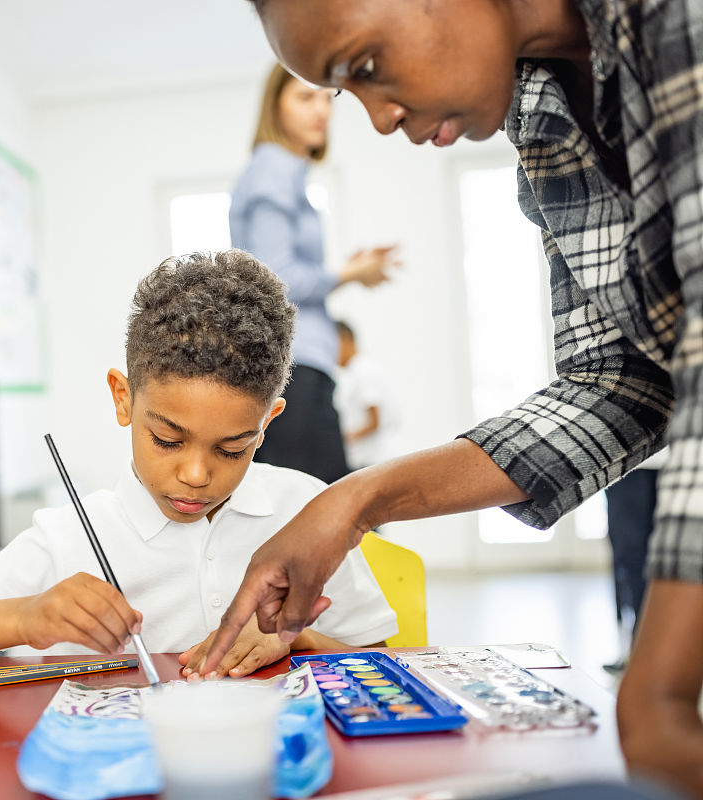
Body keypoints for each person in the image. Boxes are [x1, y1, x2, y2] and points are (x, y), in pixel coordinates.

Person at [201, 1, 703, 795]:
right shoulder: (542, 110)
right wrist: (356, 502)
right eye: (341, 92)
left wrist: (663, 686)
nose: (378, 117)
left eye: (362, 67)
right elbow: (620, 379)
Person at [0, 250, 397, 677]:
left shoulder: (308, 511)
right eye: (168, 439)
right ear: (124, 399)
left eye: (232, 449)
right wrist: (23, 617)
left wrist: (294, 636)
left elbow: (378, 657)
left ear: (267, 423)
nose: (195, 474)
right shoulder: (70, 535)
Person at [229, 63, 400, 484]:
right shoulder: (274, 169)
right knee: (323, 509)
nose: (321, 109)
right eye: (305, 97)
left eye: (327, 98)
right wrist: (350, 273)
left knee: (313, 507)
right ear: (275, 106)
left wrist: (347, 272)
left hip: (299, 364)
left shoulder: (284, 173)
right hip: (295, 365)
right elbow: (277, 281)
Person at [603, 451, 666, 674]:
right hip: (628, 460)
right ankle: (640, 651)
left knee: (671, 559)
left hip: (684, 460)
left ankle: (652, 652)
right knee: (630, 558)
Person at [334, 320, 392, 471]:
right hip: (367, 462)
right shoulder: (357, 370)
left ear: (343, 339)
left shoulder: (363, 370)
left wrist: (340, 439)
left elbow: (375, 420)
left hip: (370, 462)